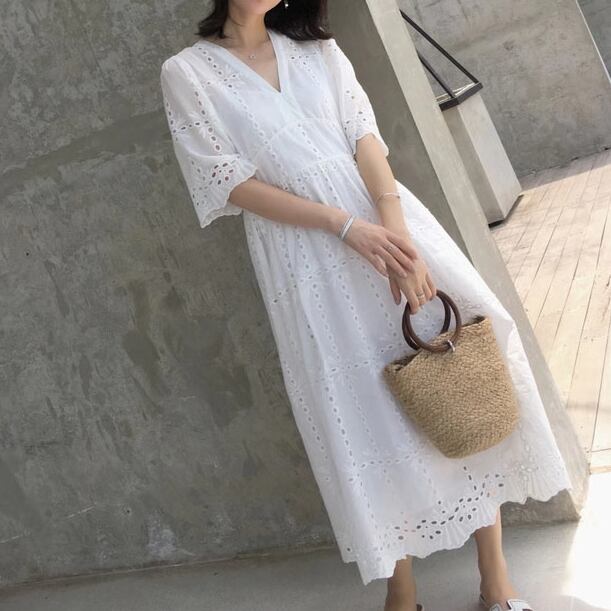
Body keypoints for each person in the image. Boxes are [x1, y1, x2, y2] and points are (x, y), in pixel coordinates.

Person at [159, 2, 572, 610]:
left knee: (461, 380)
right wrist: (343, 226)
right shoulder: (188, 72)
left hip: (388, 226)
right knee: (360, 417)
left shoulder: (317, 51)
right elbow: (228, 181)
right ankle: (401, 592)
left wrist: (396, 236)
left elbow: (364, 138)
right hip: (305, 256)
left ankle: (496, 581)